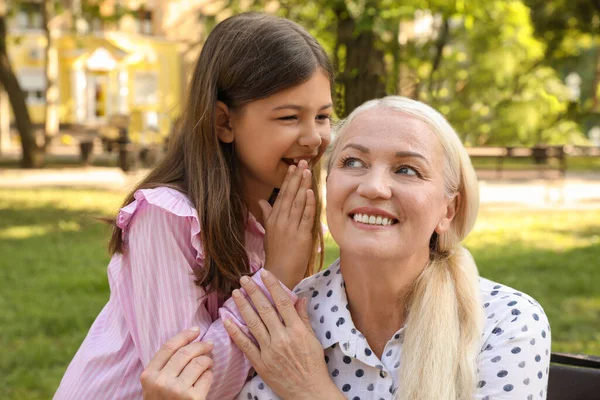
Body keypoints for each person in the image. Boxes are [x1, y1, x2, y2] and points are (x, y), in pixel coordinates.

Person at [145, 96, 551, 400]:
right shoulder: (283, 318)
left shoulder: (504, 322)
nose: (372, 187)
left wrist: (311, 389)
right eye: (353, 162)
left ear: (449, 209)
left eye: (406, 170)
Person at [54, 12, 334, 400]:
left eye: (323, 116)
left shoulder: (276, 219)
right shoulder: (166, 215)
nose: (314, 137)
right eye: (289, 117)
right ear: (224, 122)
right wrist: (277, 277)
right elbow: (191, 383)